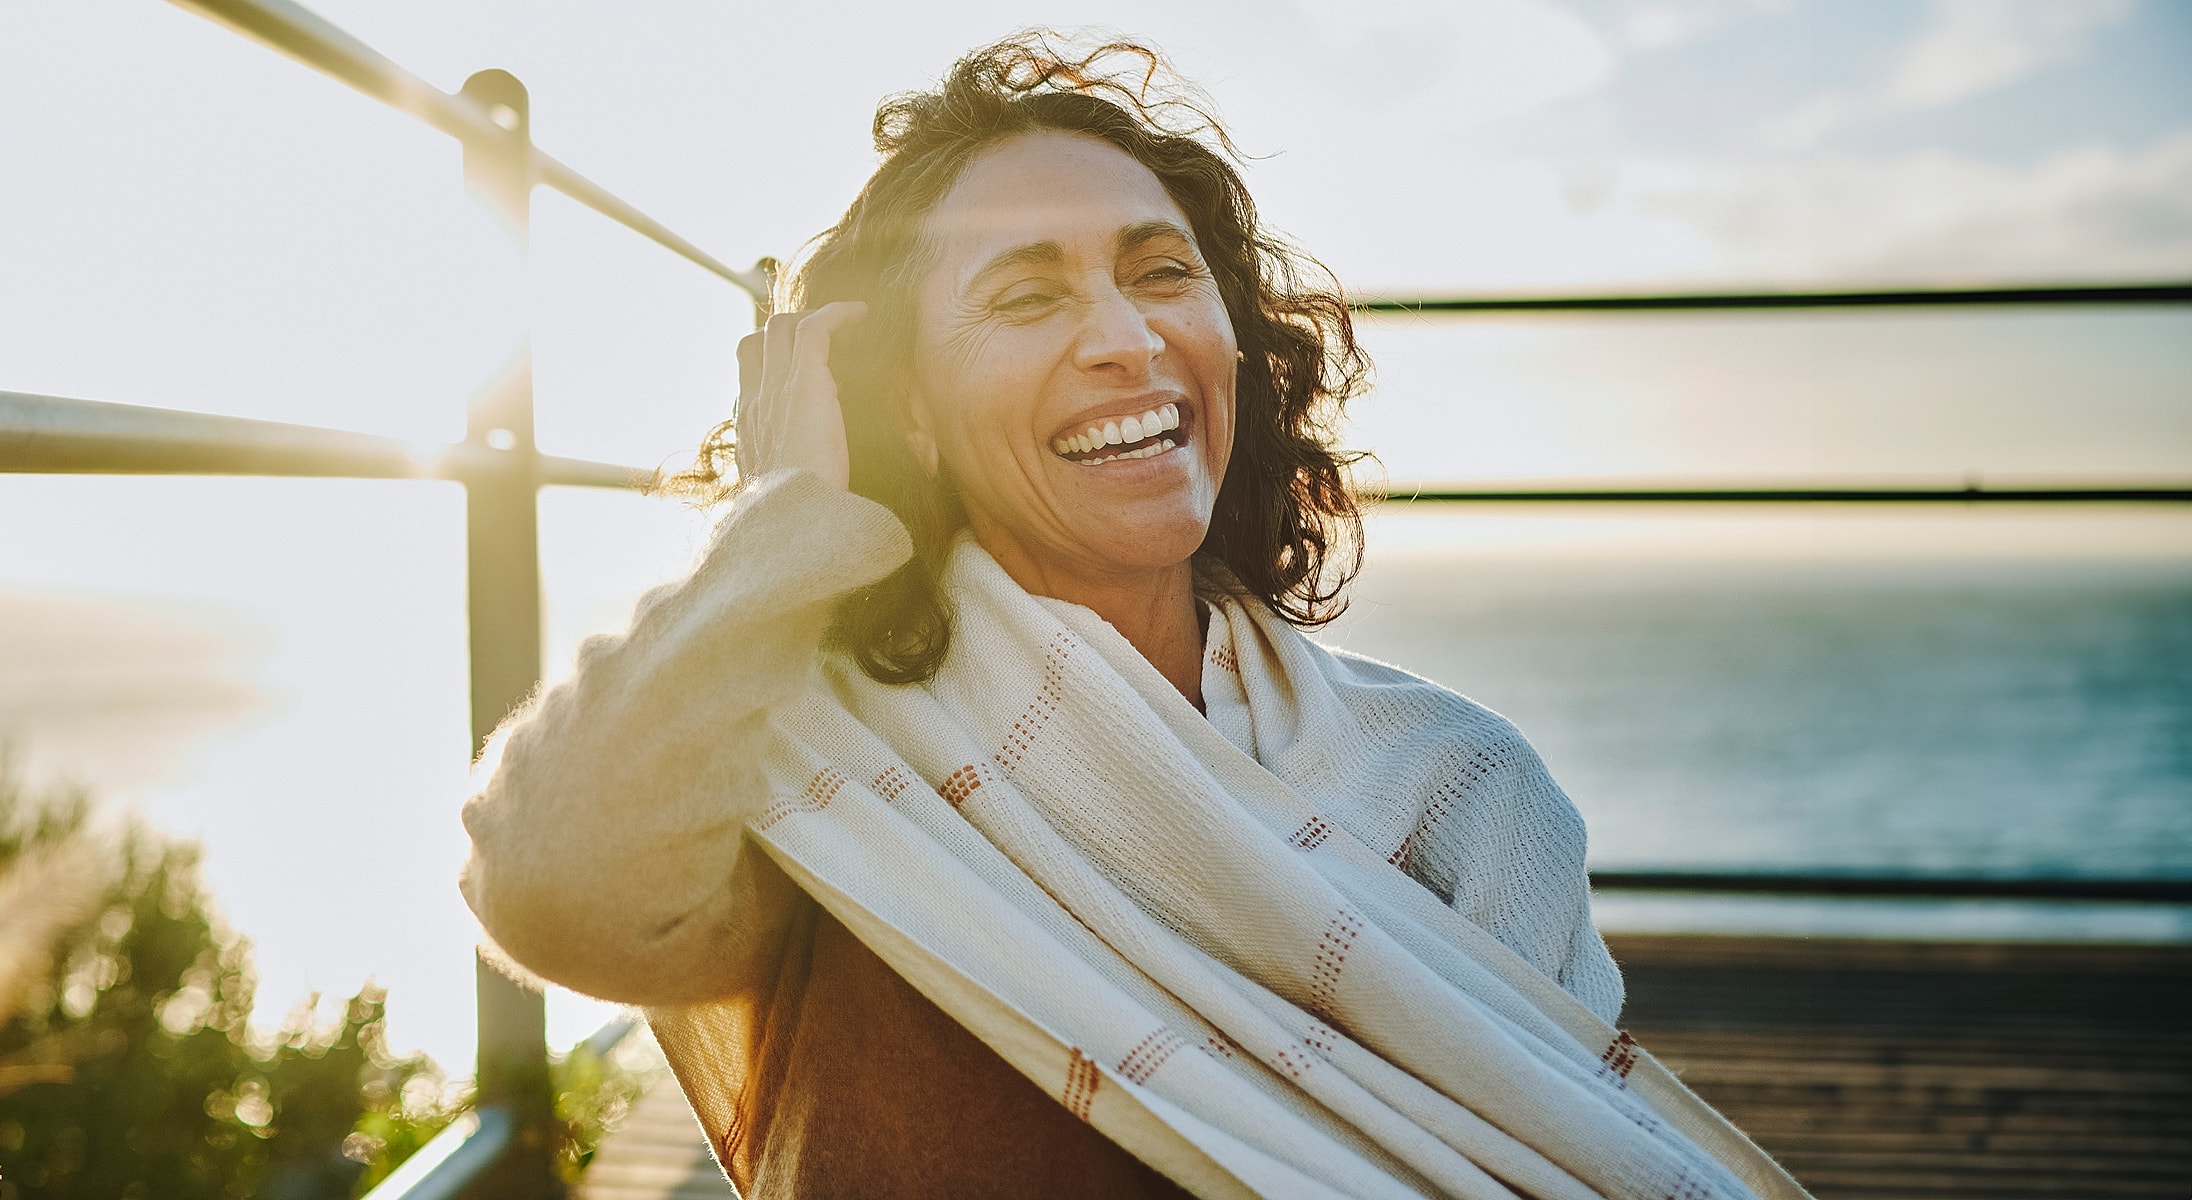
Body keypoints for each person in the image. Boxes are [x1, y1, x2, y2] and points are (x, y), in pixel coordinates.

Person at [460, 33, 1805, 1200]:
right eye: (1027, 294)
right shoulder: (819, 757)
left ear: (1233, 338)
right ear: (909, 412)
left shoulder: (1465, 789)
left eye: (1161, 272)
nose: (1125, 337)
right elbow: (554, 887)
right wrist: (783, 520)